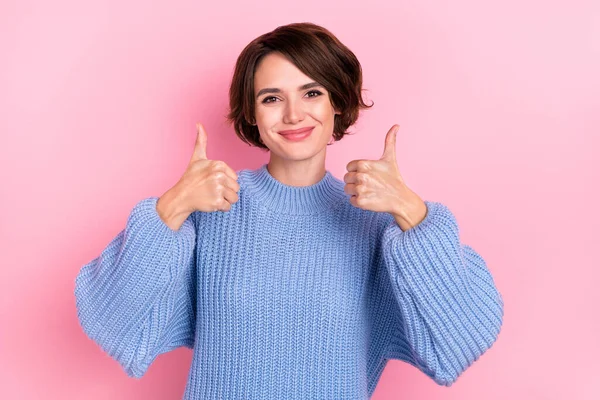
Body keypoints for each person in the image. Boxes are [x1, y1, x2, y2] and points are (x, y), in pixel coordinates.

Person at [74, 22, 504, 399]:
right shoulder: (211, 207)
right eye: (272, 98)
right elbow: (113, 322)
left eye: (311, 92)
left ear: (337, 101)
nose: (293, 114)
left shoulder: (375, 222)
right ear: (253, 114)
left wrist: (412, 213)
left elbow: (461, 343)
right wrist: (173, 206)